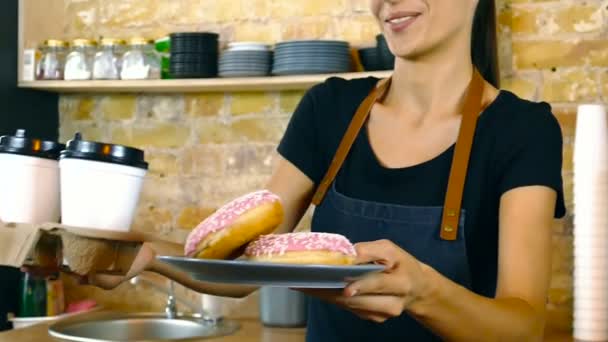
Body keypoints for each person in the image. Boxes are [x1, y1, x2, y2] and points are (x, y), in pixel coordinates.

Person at [69, 0, 566, 340]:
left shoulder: (523, 131)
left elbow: (522, 327)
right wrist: (150, 254)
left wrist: (424, 290)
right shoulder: (329, 109)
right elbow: (244, 272)